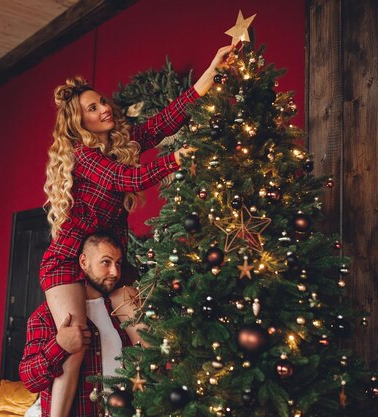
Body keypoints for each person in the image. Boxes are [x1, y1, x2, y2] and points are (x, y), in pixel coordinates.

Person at [41, 45, 235, 416]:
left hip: (111, 261)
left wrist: (211, 70)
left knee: (145, 334)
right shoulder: (85, 157)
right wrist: (178, 158)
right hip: (67, 260)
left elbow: (164, 122)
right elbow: (125, 178)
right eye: (93, 108)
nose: (104, 109)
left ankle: (164, 407)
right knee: (75, 342)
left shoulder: (119, 144)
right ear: (79, 123)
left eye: (102, 102)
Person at [20, 232, 139, 416]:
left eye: (118, 263)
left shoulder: (120, 311)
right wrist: (59, 346)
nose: (115, 272)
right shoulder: (46, 316)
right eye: (106, 262)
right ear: (84, 262)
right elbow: (31, 381)